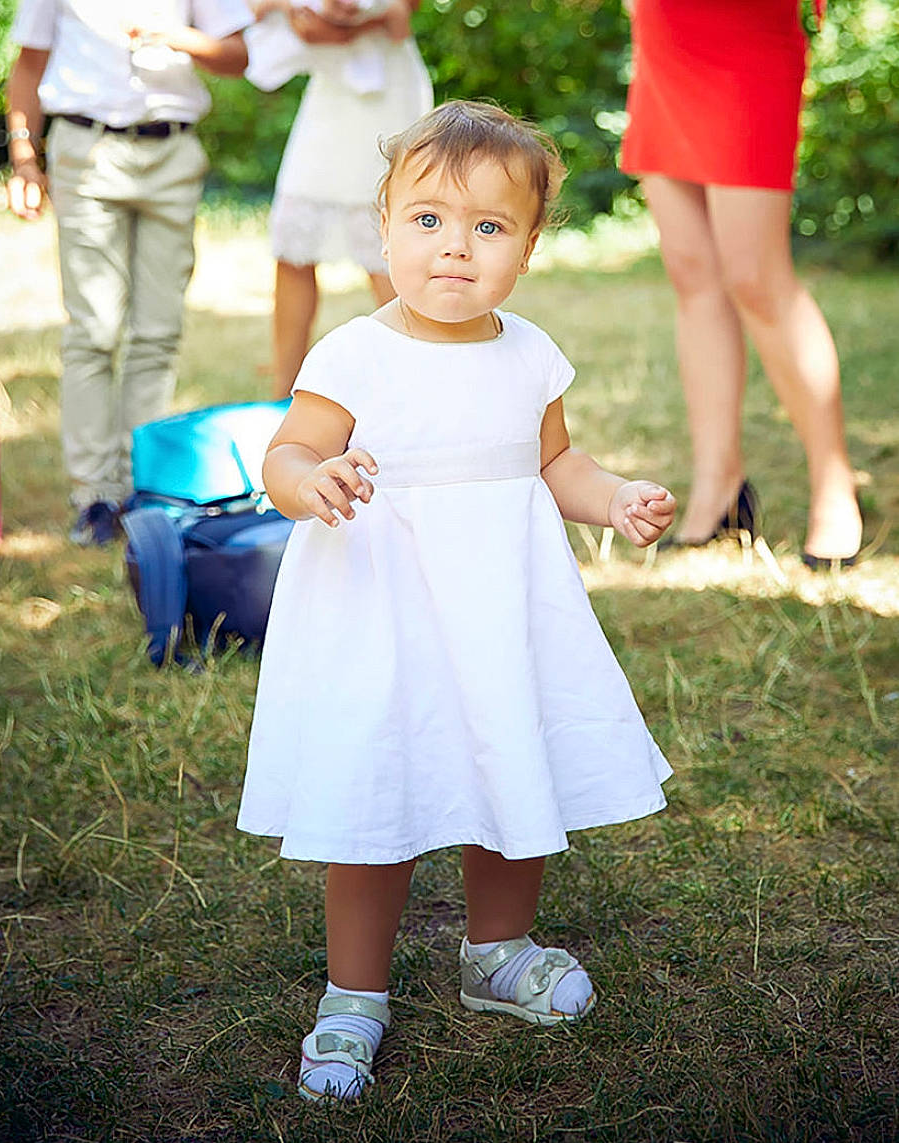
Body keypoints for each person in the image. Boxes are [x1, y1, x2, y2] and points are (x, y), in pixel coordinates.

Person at [237, 100, 676, 1102]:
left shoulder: (527, 353)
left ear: (526, 247)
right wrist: (306, 482)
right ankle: (353, 994)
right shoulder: (355, 351)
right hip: (379, 613)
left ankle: (497, 952)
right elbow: (287, 453)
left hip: (500, 611)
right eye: (427, 220)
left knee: (504, 767)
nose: (452, 248)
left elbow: (553, 460)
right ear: (383, 228)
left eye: (487, 227)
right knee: (373, 793)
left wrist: (610, 499)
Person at [620, 0, 863, 569]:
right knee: (691, 271)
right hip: (663, 41)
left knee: (756, 276)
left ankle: (835, 483)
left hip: (745, 38)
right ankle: (719, 484)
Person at [5, 1, 252, 546]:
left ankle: (145, 487)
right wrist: (25, 160)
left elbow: (239, 55)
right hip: (86, 148)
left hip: (172, 150)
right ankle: (95, 494)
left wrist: (177, 36)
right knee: (92, 331)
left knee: (159, 332)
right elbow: (28, 64)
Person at [246, 0, 432, 398]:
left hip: (386, 92)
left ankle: (423, 378)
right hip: (331, 94)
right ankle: (284, 390)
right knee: (295, 243)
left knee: (388, 239)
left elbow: (404, 10)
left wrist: (362, 18)